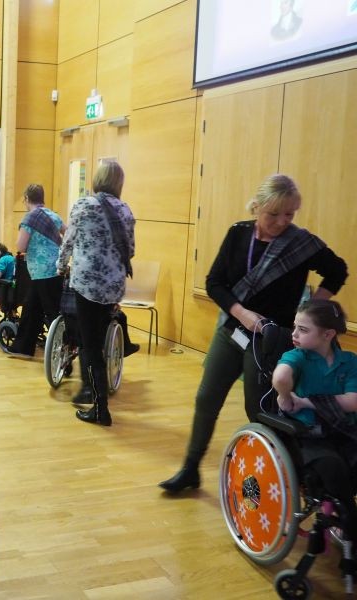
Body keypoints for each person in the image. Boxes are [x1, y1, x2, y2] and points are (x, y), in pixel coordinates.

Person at [159, 173, 348, 494]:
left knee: (259, 411)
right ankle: (191, 468)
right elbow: (214, 283)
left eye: (289, 214)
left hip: (271, 340)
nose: (282, 221)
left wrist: (313, 307)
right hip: (233, 330)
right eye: (273, 213)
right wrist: (243, 314)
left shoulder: (300, 243)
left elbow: (337, 270)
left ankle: (275, 479)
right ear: (257, 207)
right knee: (206, 399)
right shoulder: (238, 234)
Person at [57, 161, 135, 426]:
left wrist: (60, 266)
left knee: (89, 345)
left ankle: (100, 408)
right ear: (119, 183)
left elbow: (68, 242)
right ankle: (97, 393)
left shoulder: (83, 205)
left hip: (87, 285)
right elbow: (131, 250)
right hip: (114, 287)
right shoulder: (125, 210)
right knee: (98, 340)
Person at [272, 299, 357, 543]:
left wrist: (306, 402)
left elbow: (353, 402)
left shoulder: (349, 361)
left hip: (342, 430)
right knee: (333, 465)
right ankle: (350, 520)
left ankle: (345, 516)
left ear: (328, 334)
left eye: (303, 329)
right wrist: (284, 395)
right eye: (295, 327)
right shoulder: (296, 356)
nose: (294, 334)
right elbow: (281, 377)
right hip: (308, 435)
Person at [7, 184, 65, 358]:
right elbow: (68, 234)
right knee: (31, 308)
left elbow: (20, 246)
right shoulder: (54, 215)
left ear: (26, 199)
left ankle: (64, 347)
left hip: (40, 271)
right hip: (55, 270)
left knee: (52, 313)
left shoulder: (30, 218)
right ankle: (23, 347)